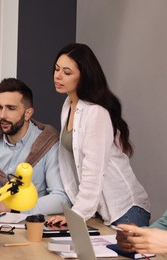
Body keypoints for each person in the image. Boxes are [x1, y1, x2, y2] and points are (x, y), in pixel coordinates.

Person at [47, 43, 150, 227]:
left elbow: (92, 172)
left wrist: (76, 214)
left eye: (67, 72)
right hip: (99, 210)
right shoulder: (68, 105)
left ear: (84, 76)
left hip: (125, 210)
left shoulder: (96, 113)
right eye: (56, 69)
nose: (58, 76)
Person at [0, 78, 70, 215]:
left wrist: (16, 210)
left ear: (28, 113)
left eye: (11, 108)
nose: (2, 115)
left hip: (33, 226)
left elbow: (61, 198)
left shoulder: (48, 144)